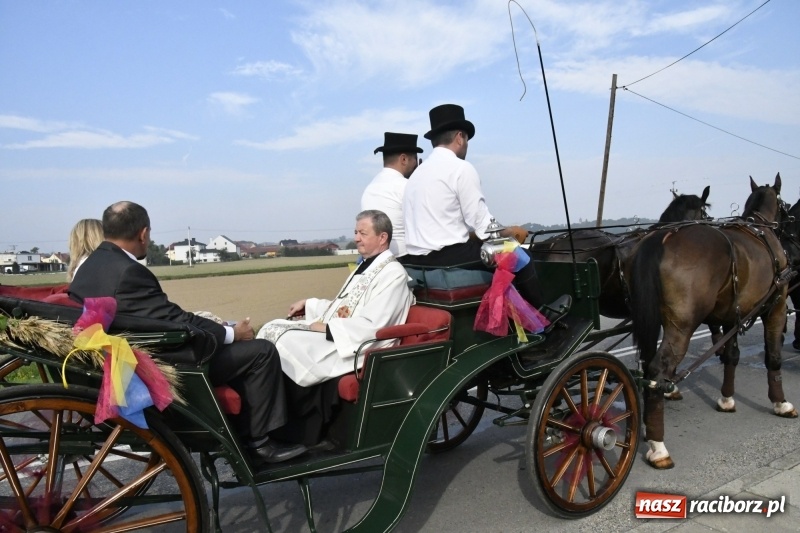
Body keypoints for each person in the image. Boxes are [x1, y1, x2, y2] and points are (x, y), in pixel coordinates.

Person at [68, 201, 306, 465]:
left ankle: (241, 427)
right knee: (261, 352)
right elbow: (174, 322)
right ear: (143, 233)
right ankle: (259, 444)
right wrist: (231, 333)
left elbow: (160, 316)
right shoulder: (129, 272)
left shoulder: (88, 267)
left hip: (118, 354)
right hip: (160, 363)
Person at [256, 210, 414, 446]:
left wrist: (329, 329)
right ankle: (274, 417)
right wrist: (309, 304)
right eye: (355, 232)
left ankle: (296, 428)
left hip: (358, 344)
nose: (357, 238)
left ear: (382, 237)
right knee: (274, 328)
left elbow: (375, 324)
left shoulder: (393, 274)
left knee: (289, 341)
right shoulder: (366, 267)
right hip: (343, 334)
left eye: (363, 233)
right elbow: (343, 305)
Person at [402, 103, 543, 307]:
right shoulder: (461, 168)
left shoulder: (416, 175)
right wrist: (512, 231)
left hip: (416, 261)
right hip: (448, 259)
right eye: (466, 139)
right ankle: (542, 317)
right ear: (460, 137)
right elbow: (485, 228)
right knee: (522, 257)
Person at [360, 132, 422, 258]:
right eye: (415, 159)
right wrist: (417, 179)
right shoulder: (407, 186)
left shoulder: (369, 188)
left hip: (375, 259)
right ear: (404, 159)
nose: (416, 164)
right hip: (404, 259)